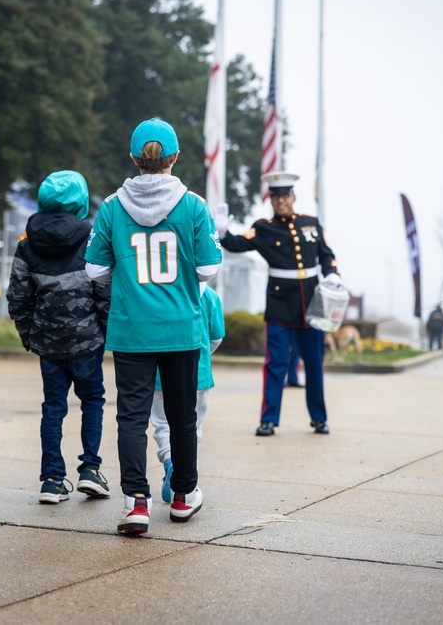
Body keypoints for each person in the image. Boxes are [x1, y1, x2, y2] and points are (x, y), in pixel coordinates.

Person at [85, 118, 221, 535]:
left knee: (132, 417)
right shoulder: (194, 206)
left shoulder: (111, 206)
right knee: (182, 418)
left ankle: (136, 503)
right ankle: (183, 496)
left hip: (132, 330)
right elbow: (208, 266)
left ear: (133, 158)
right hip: (181, 329)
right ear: (175, 157)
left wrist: (127, 281)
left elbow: (94, 270)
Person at [6, 170, 112, 504]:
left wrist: (29, 335)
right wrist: (106, 333)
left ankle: (52, 479)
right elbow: (103, 293)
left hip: (48, 344)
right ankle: (90, 470)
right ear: (81, 202)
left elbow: (18, 297)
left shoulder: (27, 243)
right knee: (92, 400)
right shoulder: (93, 239)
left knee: (53, 405)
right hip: (87, 342)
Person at [216, 172, 341, 437]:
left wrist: (331, 274)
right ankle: (268, 420)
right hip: (280, 304)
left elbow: (327, 255)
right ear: (271, 200)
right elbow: (238, 244)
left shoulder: (311, 223)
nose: (281, 201)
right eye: (276, 197)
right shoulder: (263, 228)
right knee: (275, 364)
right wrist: (224, 233)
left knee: (314, 363)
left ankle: (319, 418)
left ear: (293, 197)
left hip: (311, 304)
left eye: (285, 196)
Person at [151, 283, 225, 503]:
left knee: (163, 424)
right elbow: (216, 336)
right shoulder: (209, 295)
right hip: (199, 374)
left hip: (158, 374)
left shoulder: (157, 291)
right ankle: (185, 476)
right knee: (191, 427)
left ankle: (169, 461)